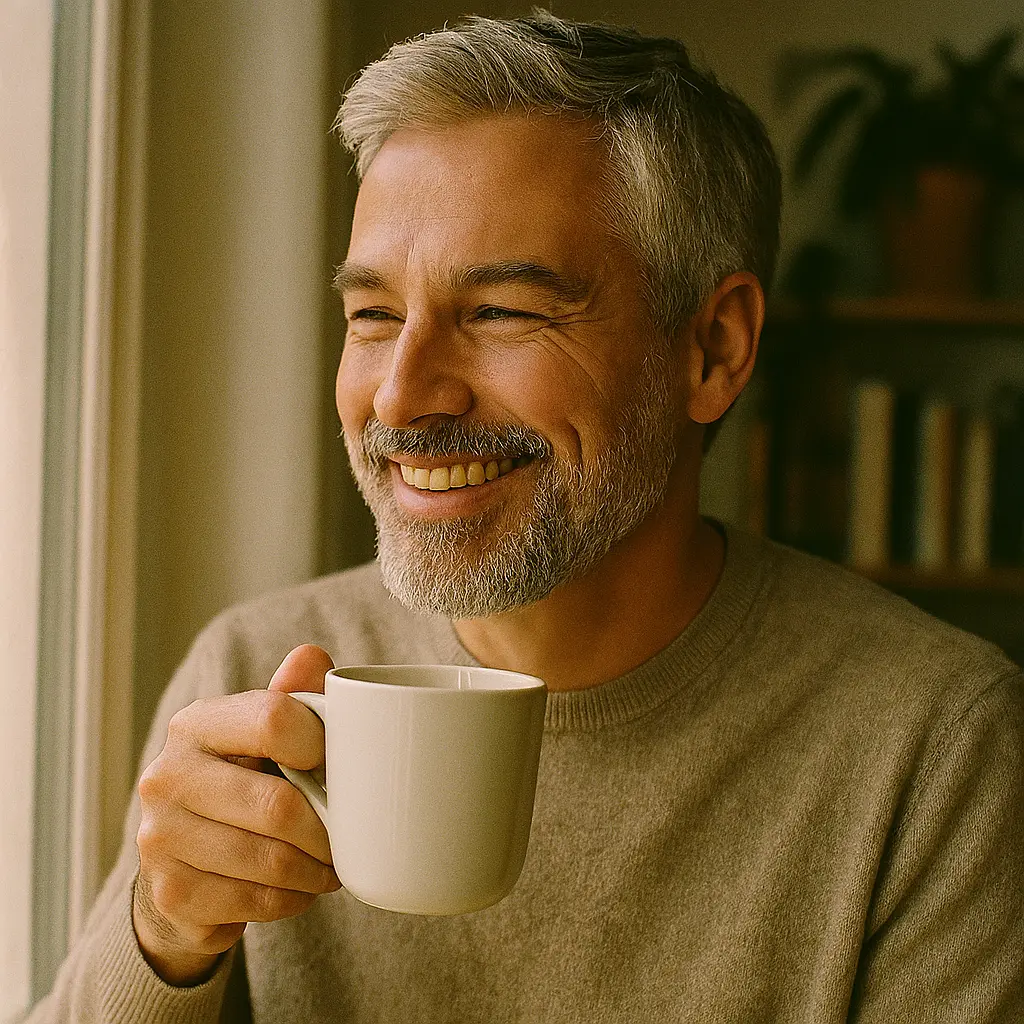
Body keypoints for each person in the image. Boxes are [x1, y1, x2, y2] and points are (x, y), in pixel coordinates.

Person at [28, 11, 1023, 1023]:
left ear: (713, 348)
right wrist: (164, 943)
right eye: (372, 315)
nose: (400, 396)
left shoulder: (935, 744)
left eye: (501, 312)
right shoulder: (255, 673)